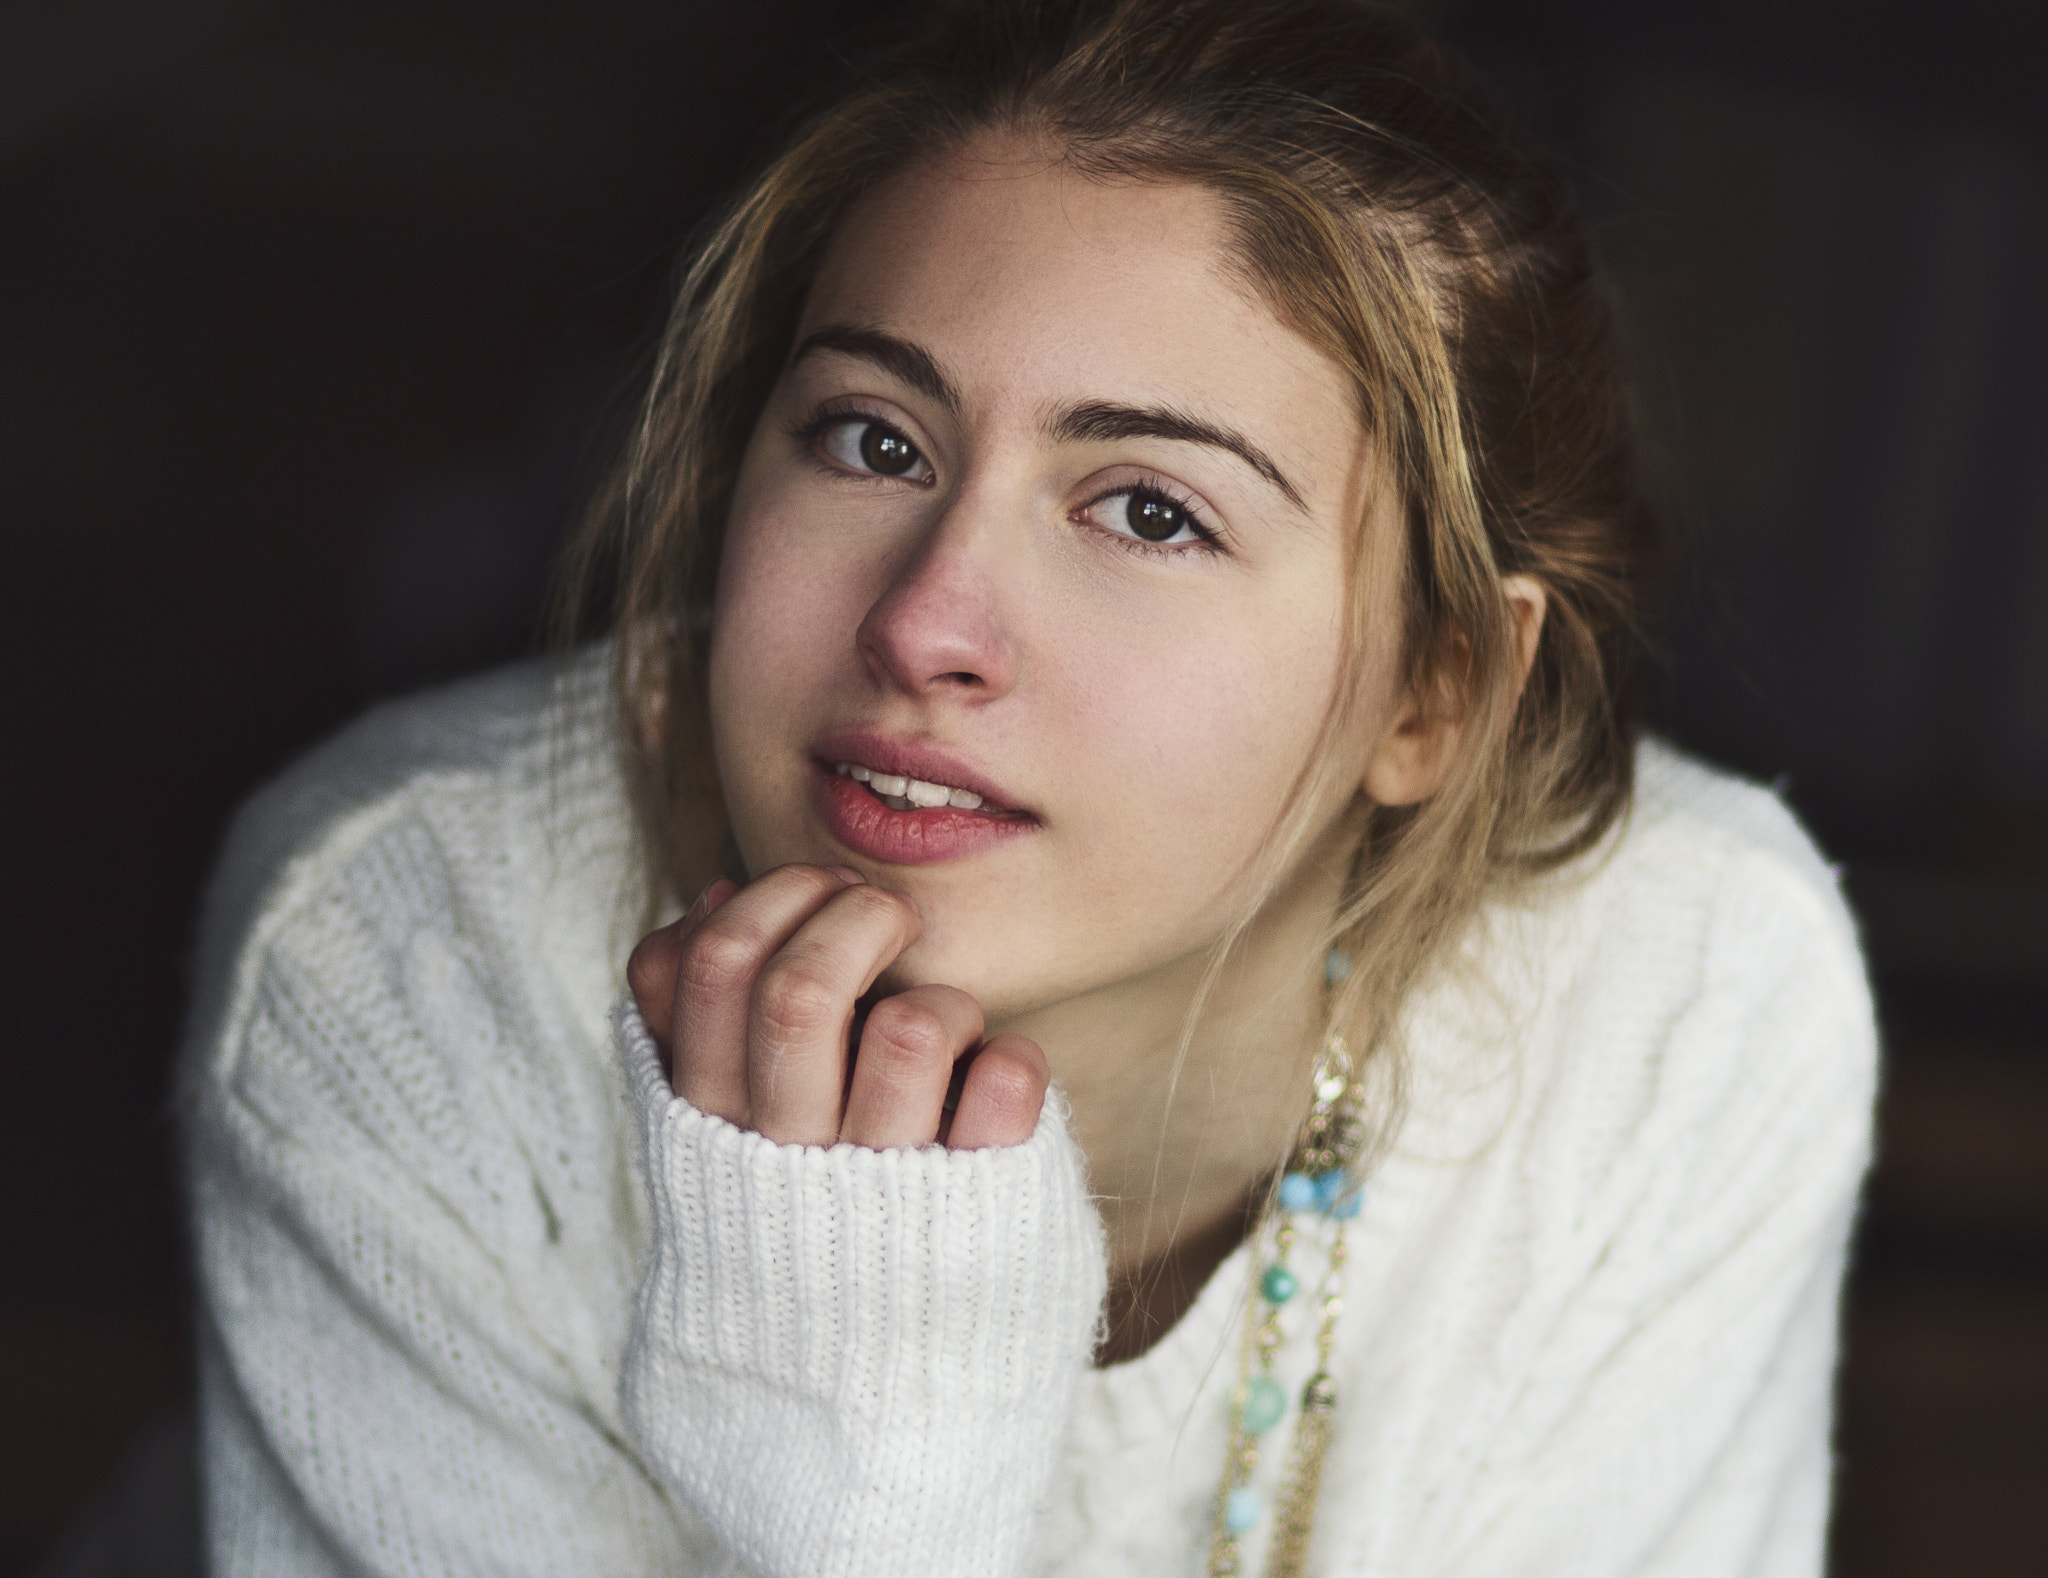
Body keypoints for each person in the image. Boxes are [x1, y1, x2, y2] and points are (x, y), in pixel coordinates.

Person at [179, 1, 1877, 1573]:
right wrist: (875, 1492)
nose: (925, 625)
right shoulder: (406, 951)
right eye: (872, 439)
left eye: (1150, 510)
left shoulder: (1688, 995)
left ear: (1436, 691)